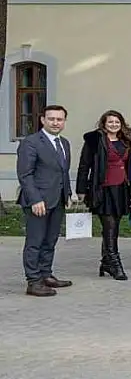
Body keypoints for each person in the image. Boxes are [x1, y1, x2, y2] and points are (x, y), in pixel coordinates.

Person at [17, 105, 73, 297]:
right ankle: (33, 281)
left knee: (50, 240)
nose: (55, 122)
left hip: (57, 200)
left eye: (59, 119)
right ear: (43, 120)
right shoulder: (31, 143)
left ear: (64, 121)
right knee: (35, 241)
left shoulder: (64, 143)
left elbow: (62, 172)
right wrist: (35, 199)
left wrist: (68, 194)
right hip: (38, 201)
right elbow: (25, 174)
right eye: (51, 119)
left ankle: (46, 275)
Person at [78, 110, 131, 281]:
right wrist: (81, 190)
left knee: (114, 226)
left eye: (117, 122)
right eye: (110, 122)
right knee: (109, 226)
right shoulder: (94, 140)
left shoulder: (127, 142)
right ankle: (115, 263)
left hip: (121, 188)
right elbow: (84, 164)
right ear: (103, 123)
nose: (113, 125)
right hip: (102, 188)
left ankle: (106, 261)